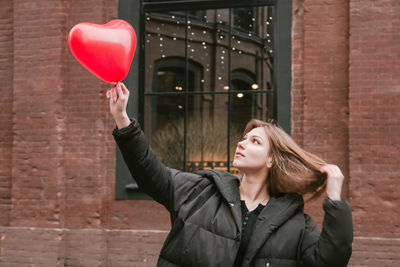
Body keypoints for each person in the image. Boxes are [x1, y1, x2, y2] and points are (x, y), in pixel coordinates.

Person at [107, 82, 353, 267]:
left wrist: (335, 201)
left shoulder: (296, 225)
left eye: (255, 141)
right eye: (243, 138)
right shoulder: (200, 191)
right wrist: (122, 119)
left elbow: (329, 261)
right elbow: (150, 172)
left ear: (271, 160)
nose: (241, 143)